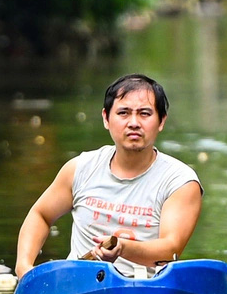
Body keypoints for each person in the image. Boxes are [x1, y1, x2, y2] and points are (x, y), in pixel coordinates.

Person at [14, 73, 202, 278]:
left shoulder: (180, 182)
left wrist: (122, 248)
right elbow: (41, 215)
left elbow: (170, 249)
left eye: (145, 114)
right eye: (123, 113)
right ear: (106, 118)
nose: (133, 123)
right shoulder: (81, 169)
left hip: (148, 292)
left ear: (161, 121)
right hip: (77, 287)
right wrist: (24, 268)